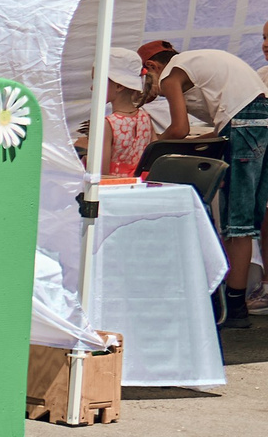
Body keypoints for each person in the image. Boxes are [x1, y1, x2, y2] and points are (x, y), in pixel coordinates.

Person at [140, 38, 268, 326]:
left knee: (236, 224)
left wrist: (150, 147)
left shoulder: (172, 73)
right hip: (261, 118)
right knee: (247, 221)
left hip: (244, 123)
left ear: (151, 66)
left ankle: (234, 307)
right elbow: (211, 129)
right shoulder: (198, 62)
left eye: (147, 80)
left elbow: (179, 128)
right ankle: (235, 300)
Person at [76, 46, 156, 179]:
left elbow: (100, 173)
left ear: (119, 86)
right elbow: (154, 156)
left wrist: (86, 158)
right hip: (138, 186)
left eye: (97, 81)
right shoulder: (145, 117)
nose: (92, 87)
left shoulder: (108, 124)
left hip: (114, 189)